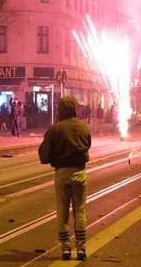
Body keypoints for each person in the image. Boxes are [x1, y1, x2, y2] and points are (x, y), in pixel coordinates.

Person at [38, 96, 91, 261]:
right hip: (80, 173)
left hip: (62, 173)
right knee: (80, 211)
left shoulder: (56, 129)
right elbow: (88, 145)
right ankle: (81, 249)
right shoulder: (84, 127)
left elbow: (44, 155)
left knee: (62, 212)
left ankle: (66, 249)